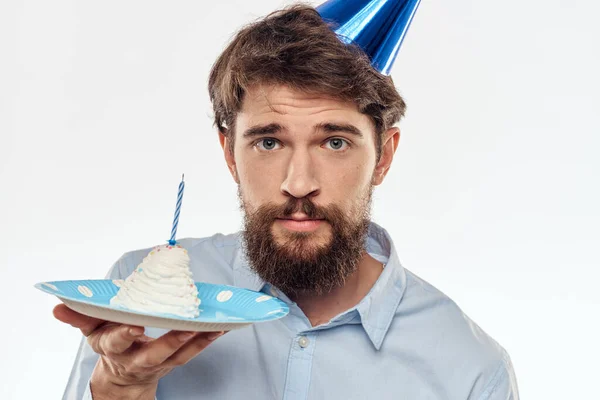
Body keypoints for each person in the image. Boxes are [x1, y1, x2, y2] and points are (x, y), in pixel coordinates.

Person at [54, 4, 519, 399]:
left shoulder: (471, 371)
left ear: (384, 156)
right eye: (269, 143)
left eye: (334, 142)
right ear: (229, 154)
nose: (299, 184)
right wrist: (118, 389)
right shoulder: (135, 307)